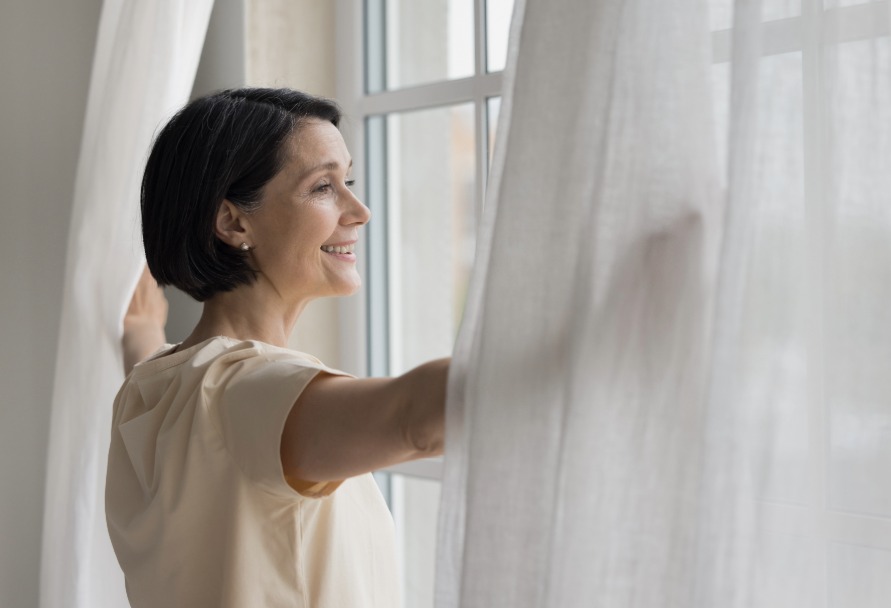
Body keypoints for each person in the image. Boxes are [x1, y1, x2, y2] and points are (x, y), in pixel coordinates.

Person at [106, 88, 449, 608]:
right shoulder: (249, 392)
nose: (359, 210)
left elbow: (157, 361)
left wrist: (141, 333)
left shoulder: (157, 386)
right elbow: (415, 418)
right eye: (323, 187)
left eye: (348, 181)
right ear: (233, 222)